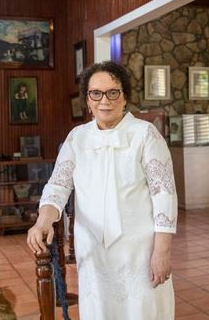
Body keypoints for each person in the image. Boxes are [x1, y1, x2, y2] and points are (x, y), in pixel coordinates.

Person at [27, 61, 178, 319]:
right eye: (95, 93)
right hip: (93, 251)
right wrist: (43, 220)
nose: (104, 100)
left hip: (139, 250)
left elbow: (164, 195)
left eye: (112, 92)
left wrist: (162, 251)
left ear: (125, 96)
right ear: (87, 99)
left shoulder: (145, 135)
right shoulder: (77, 137)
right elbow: (58, 185)